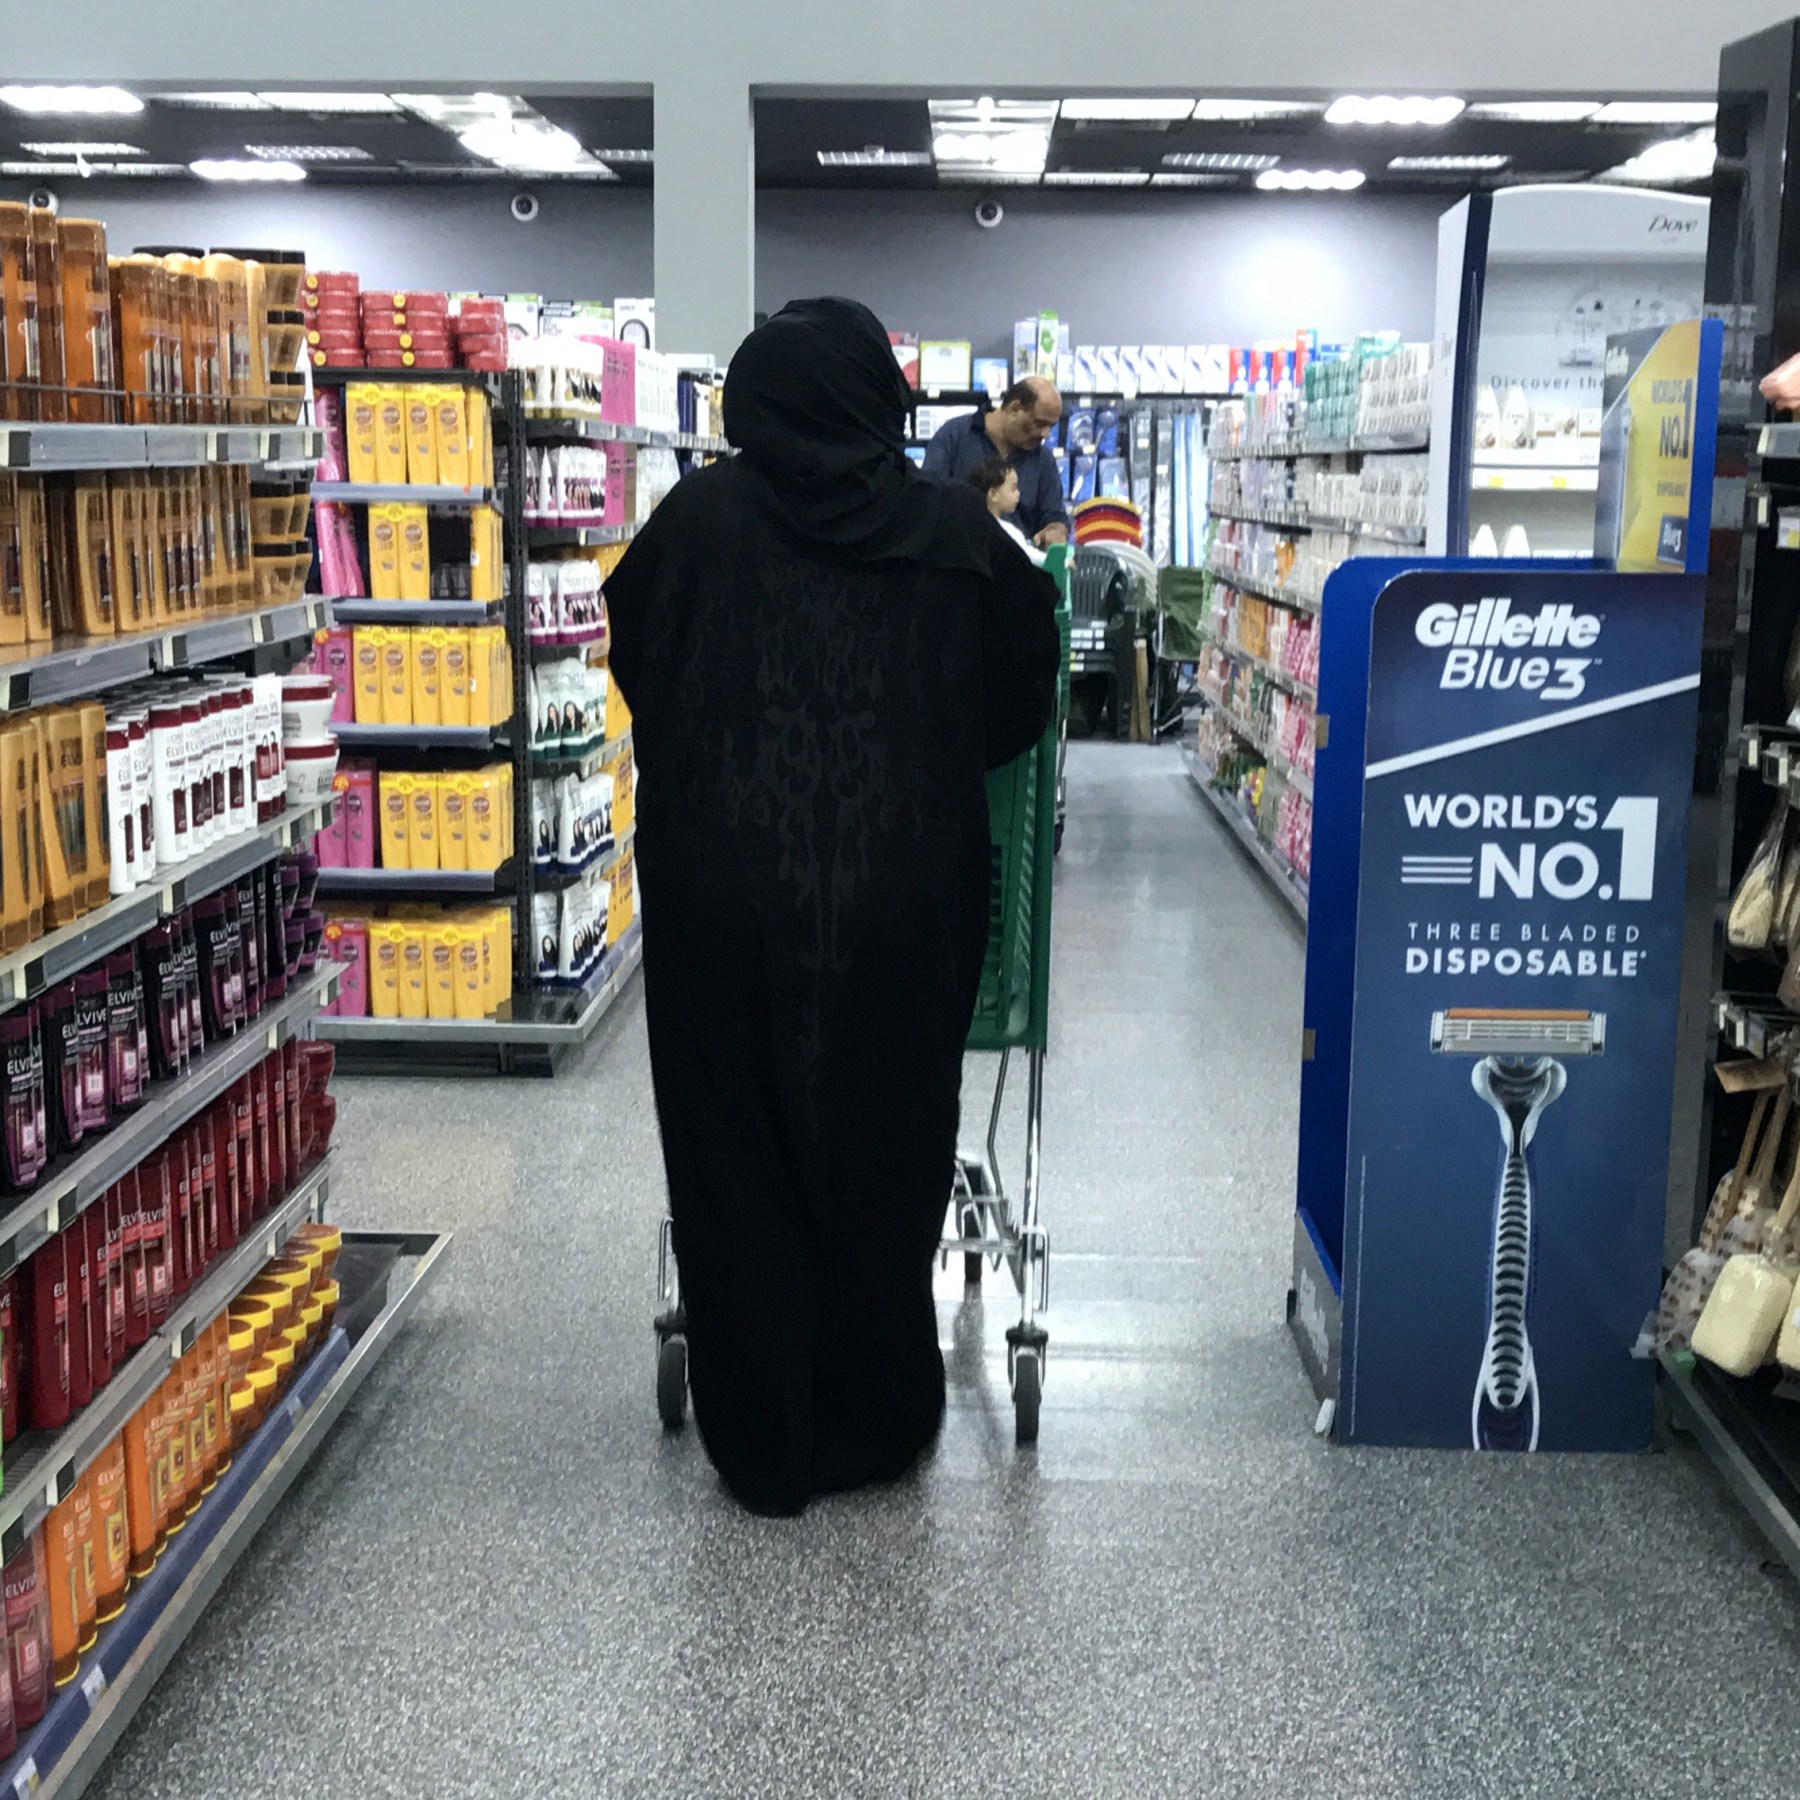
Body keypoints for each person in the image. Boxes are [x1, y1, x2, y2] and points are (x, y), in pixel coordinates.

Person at [604, 297, 1061, 1518]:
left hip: (720, 897)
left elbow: (639, 661)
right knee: (887, 1141)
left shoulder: (694, 524)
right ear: (881, 400)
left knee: (732, 1140)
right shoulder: (953, 533)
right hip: (902, 894)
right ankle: (874, 1415)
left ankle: (761, 1429)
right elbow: (1021, 691)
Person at [922, 376, 1071, 546]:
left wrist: (1055, 531)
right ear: (1015, 408)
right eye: (1039, 423)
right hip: (959, 553)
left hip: (1020, 556)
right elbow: (928, 498)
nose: (1045, 434)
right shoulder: (954, 436)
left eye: (1051, 426)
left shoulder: (1043, 460)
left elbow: (1055, 515)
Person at [968, 457, 1048, 566]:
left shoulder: (968, 528)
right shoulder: (1006, 532)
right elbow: (1027, 555)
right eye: (1013, 488)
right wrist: (1061, 561)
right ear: (993, 494)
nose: (1018, 493)